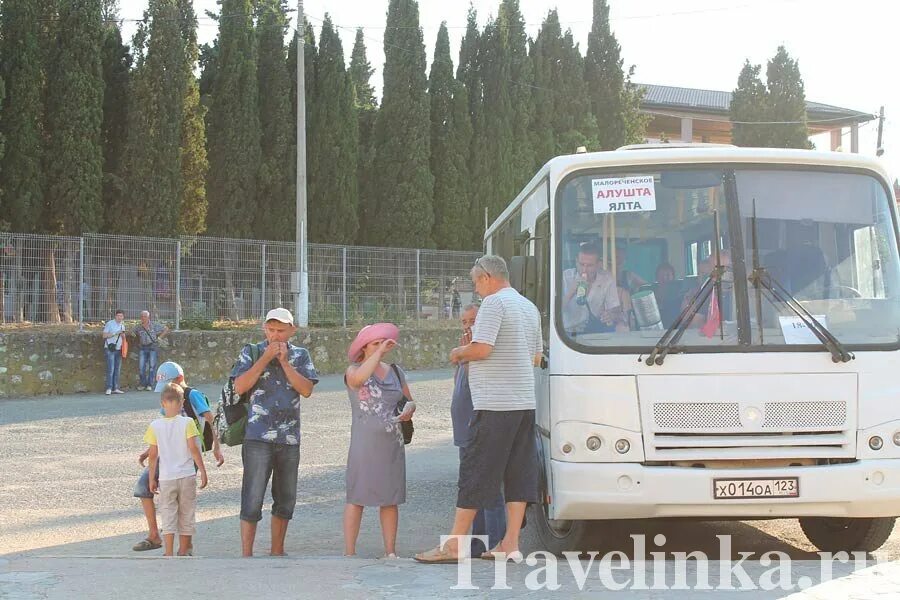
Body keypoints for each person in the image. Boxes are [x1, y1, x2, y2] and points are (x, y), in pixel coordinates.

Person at [415, 255, 541, 564]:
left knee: (475, 472)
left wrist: (460, 352)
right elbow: (536, 357)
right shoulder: (529, 308)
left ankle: (454, 545)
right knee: (518, 474)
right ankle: (510, 544)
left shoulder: (494, 305)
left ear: (486, 277)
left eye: (476, 283)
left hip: (495, 405)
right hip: (524, 403)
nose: (477, 289)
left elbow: (483, 349)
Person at [232, 307, 319, 557]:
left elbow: (306, 389)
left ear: (292, 330)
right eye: (271, 330)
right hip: (257, 436)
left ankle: (277, 551)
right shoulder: (251, 351)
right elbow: (240, 387)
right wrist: (265, 358)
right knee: (252, 495)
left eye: (281, 331)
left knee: (285, 497)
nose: (275, 335)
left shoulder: (301, 356)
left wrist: (282, 360)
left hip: (289, 437)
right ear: (264, 329)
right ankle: (246, 554)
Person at [132, 361, 224, 553]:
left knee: (183, 501)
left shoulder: (192, 395)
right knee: (143, 487)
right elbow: (165, 427)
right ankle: (154, 535)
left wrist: (216, 446)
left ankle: (185, 545)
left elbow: (210, 418)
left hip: (187, 457)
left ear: (180, 379)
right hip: (166, 456)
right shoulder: (167, 400)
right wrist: (148, 451)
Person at [343, 323, 416, 558]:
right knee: (357, 496)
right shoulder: (354, 370)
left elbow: (408, 399)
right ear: (364, 347)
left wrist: (410, 409)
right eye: (375, 343)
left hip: (391, 442)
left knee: (390, 497)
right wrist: (375, 356)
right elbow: (358, 381)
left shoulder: (395, 371)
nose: (381, 348)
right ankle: (350, 551)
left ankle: (390, 551)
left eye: (383, 343)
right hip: (364, 443)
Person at [450, 304, 506, 558]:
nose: (467, 326)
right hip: (464, 429)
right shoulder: (467, 351)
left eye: (472, 320)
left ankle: (496, 543)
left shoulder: (483, 351)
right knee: (474, 487)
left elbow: (481, 382)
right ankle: (477, 545)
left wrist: (468, 354)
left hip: (480, 427)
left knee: (490, 490)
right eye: (464, 322)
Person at [144, 383, 209, 557]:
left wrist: (152, 478)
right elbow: (194, 449)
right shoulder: (187, 423)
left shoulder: (155, 426)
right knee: (187, 511)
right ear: (182, 404)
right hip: (186, 474)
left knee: (168, 512)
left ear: (162, 404)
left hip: (166, 477)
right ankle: (184, 549)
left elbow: (152, 455)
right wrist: (202, 470)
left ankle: (168, 551)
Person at [561, 241, 625, 334]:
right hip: (566, 334)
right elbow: (553, 312)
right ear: (576, 261)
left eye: (589, 266)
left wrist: (611, 315)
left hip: (594, 332)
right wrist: (571, 292)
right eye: (581, 264)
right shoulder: (565, 277)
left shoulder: (606, 279)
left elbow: (615, 310)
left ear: (598, 265)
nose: (584, 270)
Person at [132, 310, 170, 391]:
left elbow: (166, 329)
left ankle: (150, 384)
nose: (143, 318)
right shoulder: (138, 327)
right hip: (142, 347)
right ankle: (143, 383)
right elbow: (133, 332)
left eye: (145, 316)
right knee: (141, 367)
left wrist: (159, 338)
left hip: (153, 347)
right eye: (142, 316)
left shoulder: (154, 325)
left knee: (152, 367)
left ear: (148, 317)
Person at [102, 309, 126, 395]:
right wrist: (116, 333)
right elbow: (104, 335)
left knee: (117, 369)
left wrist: (123, 336)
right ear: (115, 316)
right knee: (110, 369)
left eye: (121, 316)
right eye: (118, 316)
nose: (120, 317)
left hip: (119, 349)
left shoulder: (123, 325)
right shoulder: (109, 324)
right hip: (110, 348)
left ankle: (115, 388)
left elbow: (123, 338)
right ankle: (109, 388)